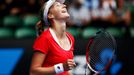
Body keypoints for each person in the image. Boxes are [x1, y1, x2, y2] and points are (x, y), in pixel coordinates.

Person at [30, 0, 76, 75]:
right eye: (58, 5)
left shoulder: (70, 38)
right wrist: (61, 67)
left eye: (63, 4)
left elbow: (66, 71)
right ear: (50, 15)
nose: (64, 6)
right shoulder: (45, 38)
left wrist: (65, 70)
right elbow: (33, 72)